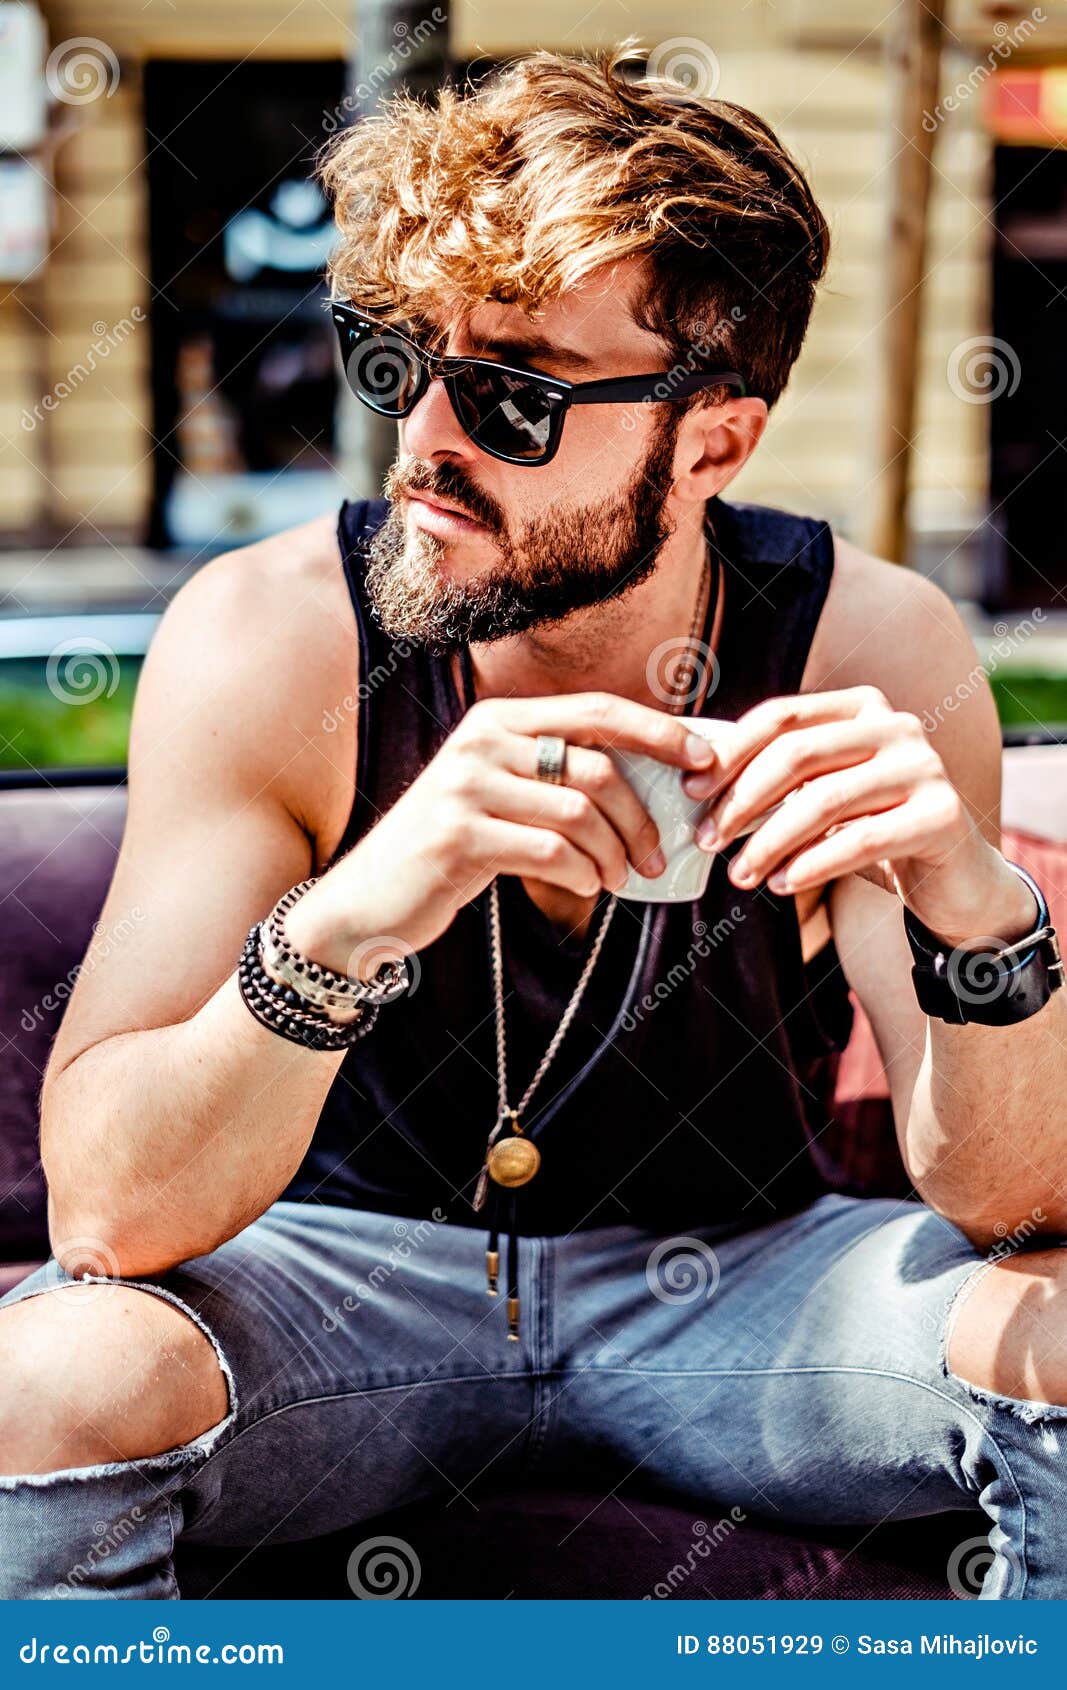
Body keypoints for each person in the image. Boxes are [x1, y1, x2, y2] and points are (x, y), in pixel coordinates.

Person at [2, 43, 1065, 1602]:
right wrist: (360, 907)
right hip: (344, 1281)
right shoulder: (275, 636)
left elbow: (1006, 1196)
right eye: (397, 361)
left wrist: (982, 917)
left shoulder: (864, 643)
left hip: (740, 1285)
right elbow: (106, 1204)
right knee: (49, 1373)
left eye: (509, 394)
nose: (423, 439)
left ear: (713, 439)